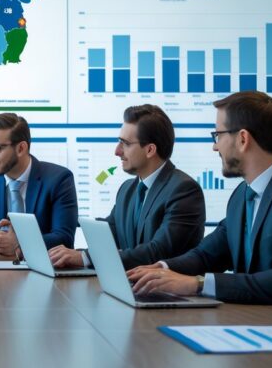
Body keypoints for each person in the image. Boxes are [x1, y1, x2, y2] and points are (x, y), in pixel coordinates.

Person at [128, 92, 272, 317]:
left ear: (243, 139)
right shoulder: (242, 195)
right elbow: (207, 255)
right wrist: (161, 269)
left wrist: (197, 284)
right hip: (259, 322)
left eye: (218, 135)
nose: (215, 147)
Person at [49, 104, 205, 270]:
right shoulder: (127, 190)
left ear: (150, 150)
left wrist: (85, 257)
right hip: (130, 288)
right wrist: (73, 254)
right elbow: (109, 238)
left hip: (168, 293)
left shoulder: (184, 190)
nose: (117, 151)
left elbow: (158, 252)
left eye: (125, 143)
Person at [0, 113, 78, 258]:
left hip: (43, 272)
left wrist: (20, 244)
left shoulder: (59, 179)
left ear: (21, 148)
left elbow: (64, 238)